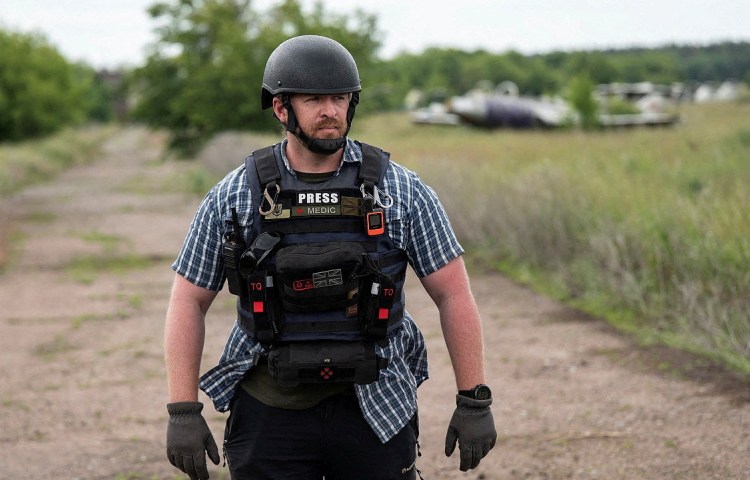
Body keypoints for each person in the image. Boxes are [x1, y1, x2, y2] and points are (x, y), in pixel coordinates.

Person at [164, 34, 496, 480]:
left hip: (377, 404)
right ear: (282, 109)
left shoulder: (400, 190)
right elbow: (188, 299)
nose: (330, 111)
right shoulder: (236, 194)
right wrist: (183, 410)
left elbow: (453, 293)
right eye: (314, 98)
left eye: (340, 97)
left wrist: (473, 398)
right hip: (270, 406)